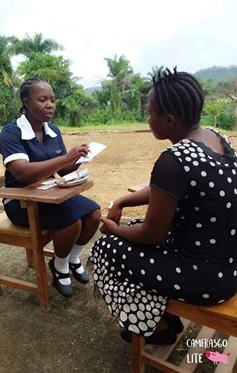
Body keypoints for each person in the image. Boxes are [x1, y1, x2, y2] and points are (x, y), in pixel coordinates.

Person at [90, 68, 237, 345]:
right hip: (228, 265)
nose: (148, 119)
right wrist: (122, 201)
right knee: (132, 230)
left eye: (150, 112)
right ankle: (164, 316)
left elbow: (151, 236)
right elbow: (166, 191)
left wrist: (114, 230)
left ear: (168, 120)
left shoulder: (173, 160)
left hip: (206, 281)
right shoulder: (218, 139)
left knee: (107, 249)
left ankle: (155, 327)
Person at [0, 78, 101, 298]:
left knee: (94, 214)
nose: (50, 105)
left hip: (49, 195)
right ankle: (59, 265)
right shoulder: (11, 132)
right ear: (26, 102)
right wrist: (66, 157)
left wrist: (80, 158)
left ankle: (73, 257)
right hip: (20, 201)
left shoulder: (53, 130)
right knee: (71, 223)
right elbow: (23, 173)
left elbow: (63, 170)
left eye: (52, 100)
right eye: (42, 99)